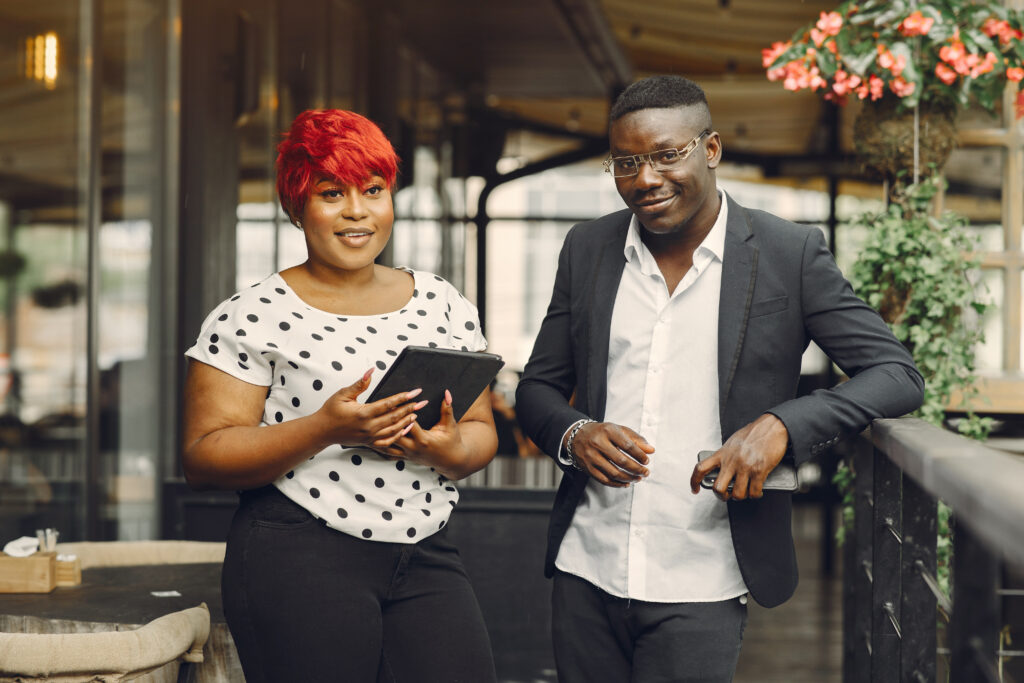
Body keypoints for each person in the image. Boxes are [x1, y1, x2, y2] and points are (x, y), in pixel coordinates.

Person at [515, 75, 924, 682]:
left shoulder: (789, 252)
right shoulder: (588, 247)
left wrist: (783, 425)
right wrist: (575, 433)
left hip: (705, 572)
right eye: (626, 162)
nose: (645, 178)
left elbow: (897, 373)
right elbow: (537, 389)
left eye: (666, 154)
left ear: (710, 150)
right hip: (587, 565)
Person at [182, 109, 498, 682]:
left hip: (425, 547)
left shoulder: (441, 301)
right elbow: (203, 458)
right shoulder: (251, 315)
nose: (357, 211)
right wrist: (326, 428)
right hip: (299, 551)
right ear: (298, 206)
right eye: (332, 193)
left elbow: (479, 434)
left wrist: (440, 449)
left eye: (373, 190)